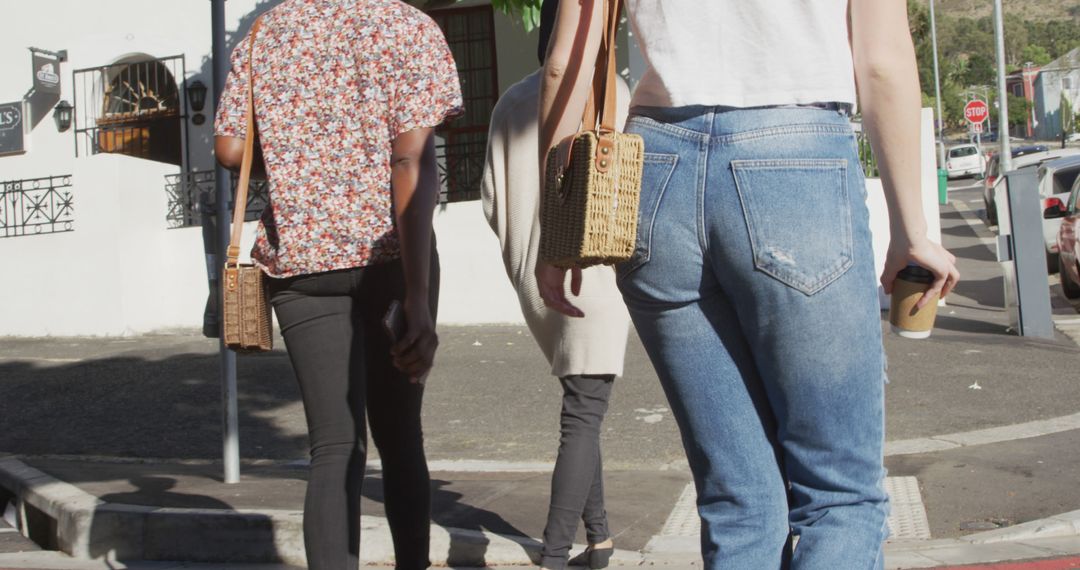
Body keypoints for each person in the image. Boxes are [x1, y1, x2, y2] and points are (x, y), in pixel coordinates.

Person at [537, 1, 960, 568]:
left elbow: (565, 62)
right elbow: (881, 61)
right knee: (839, 497)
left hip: (656, 168)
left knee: (738, 500)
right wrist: (912, 231)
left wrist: (555, 229)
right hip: (793, 156)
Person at [213, 1, 462, 568]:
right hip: (392, 260)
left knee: (332, 447)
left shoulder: (265, 32)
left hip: (300, 263)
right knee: (400, 439)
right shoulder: (407, 25)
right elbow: (410, 160)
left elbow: (229, 149)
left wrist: (295, 138)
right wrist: (419, 298)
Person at [480, 1, 630, 567]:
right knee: (584, 412)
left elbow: (492, 202)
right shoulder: (610, 94)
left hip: (529, 270)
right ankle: (555, 553)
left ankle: (601, 538)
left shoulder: (509, 103)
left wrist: (522, 250)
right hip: (591, 271)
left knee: (579, 402)